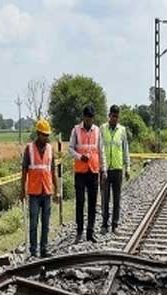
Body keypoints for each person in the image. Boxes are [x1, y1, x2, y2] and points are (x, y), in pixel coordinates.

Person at [21, 119, 60, 258]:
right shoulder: (29, 149)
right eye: (44, 134)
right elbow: (24, 170)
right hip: (34, 192)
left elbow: (52, 170)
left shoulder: (50, 149)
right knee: (33, 223)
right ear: (38, 133)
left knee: (46, 223)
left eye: (47, 134)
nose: (46, 137)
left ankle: (44, 249)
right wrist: (22, 190)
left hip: (47, 191)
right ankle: (33, 250)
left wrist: (57, 190)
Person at [69, 105, 106, 243]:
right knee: (80, 202)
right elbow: (70, 149)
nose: (89, 120)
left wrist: (104, 169)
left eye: (91, 118)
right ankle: (79, 232)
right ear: (83, 117)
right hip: (80, 172)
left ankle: (90, 233)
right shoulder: (76, 130)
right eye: (87, 117)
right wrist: (79, 157)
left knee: (92, 203)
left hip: (93, 171)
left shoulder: (97, 131)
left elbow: (101, 151)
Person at [100, 105, 130, 235]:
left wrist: (127, 166)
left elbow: (125, 150)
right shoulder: (102, 129)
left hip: (118, 169)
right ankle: (104, 224)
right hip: (105, 169)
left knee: (117, 199)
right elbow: (100, 149)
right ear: (109, 115)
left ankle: (115, 225)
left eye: (117, 117)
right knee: (105, 199)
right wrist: (100, 168)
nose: (115, 119)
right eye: (113, 116)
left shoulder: (122, 130)